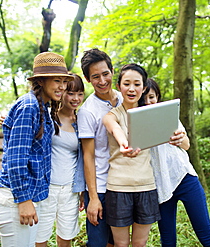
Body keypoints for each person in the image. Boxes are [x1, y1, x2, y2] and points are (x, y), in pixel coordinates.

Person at [0, 52, 73, 247]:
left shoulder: (41, 106)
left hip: (27, 197)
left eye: (64, 81)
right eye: (57, 81)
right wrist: (24, 200)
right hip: (14, 199)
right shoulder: (29, 106)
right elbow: (16, 159)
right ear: (41, 81)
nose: (62, 86)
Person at [142, 78, 210, 247]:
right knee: (168, 240)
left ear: (157, 96)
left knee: (205, 234)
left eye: (152, 97)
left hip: (184, 177)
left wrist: (181, 138)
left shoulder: (167, 115)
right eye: (144, 99)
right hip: (160, 184)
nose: (148, 102)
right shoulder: (135, 121)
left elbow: (187, 145)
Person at [102, 64, 161, 247]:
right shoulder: (112, 115)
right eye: (127, 84)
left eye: (137, 84)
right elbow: (115, 129)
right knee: (120, 244)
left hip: (146, 187)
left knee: (140, 243)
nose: (131, 89)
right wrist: (124, 144)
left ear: (143, 88)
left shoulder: (151, 115)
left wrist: (180, 137)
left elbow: (175, 137)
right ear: (119, 86)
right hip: (119, 188)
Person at [77, 48, 123, 247]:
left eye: (105, 74)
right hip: (101, 186)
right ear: (88, 80)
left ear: (112, 71)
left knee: (117, 241)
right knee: (98, 242)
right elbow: (88, 156)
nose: (102, 81)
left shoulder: (125, 99)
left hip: (123, 183)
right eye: (95, 77)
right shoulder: (87, 111)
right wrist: (93, 198)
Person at [35, 73, 86, 247]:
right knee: (39, 237)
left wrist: (81, 189)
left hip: (70, 189)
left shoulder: (81, 121)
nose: (75, 98)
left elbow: (84, 157)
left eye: (80, 94)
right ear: (62, 92)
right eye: (70, 93)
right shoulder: (47, 117)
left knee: (65, 238)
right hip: (46, 188)